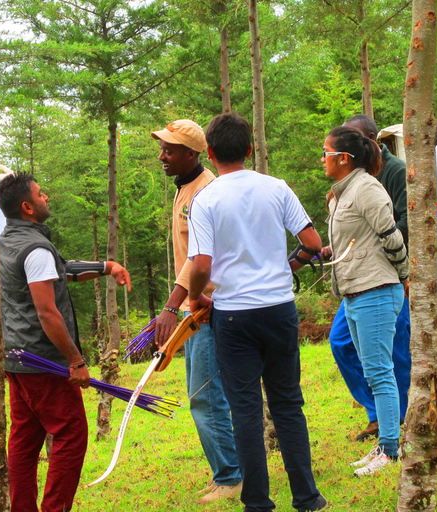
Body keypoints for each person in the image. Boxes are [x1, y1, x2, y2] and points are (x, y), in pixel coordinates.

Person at [187, 112, 328, 512]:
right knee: (287, 404)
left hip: (233, 316)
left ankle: (258, 504)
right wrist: (284, 268)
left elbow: (200, 265)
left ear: (210, 153)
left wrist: (197, 298)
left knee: (245, 410)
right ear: (250, 149)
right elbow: (313, 242)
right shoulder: (276, 188)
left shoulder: (205, 199)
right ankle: (307, 497)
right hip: (279, 309)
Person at [0, 172, 131, 512]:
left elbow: (60, 269)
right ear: (27, 207)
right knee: (71, 435)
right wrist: (75, 360)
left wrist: (106, 266)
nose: (47, 199)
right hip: (45, 361)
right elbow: (47, 313)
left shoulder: (7, 240)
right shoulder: (34, 247)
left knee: (24, 442)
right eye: (41, 195)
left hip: (18, 359)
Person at [149, 119, 243, 503]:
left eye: (169, 150)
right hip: (198, 304)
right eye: (162, 149)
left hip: (206, 307)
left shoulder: (204, 191)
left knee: (204, 392)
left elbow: (198, 257)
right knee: (210, 390)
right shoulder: (186, 188)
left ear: (193, 153)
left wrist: (172, 306)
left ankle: (231, 476)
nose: (162, 157)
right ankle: (230, 469)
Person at [322, 125, 408, 476]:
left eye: (326, 154)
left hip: (376, 290)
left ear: (344, 158)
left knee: (380, 373)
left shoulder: (367, 189)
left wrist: (402, 274)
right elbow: (358, 238)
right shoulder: (343, 192)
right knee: (375, 374)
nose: (322, 160)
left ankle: (390, 450)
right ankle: (385, 444)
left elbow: (391, 236)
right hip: (355, 293)